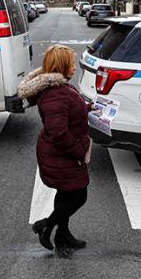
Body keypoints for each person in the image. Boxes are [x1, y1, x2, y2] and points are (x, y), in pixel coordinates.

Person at [18, 45, 92, 252]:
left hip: (62, 153)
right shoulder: (56, 93)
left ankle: (63, 235)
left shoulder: (59, 89)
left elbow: (64, 114)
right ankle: (46, 226)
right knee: (78, 196)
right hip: (63, 153)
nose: (74, 67)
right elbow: (57, 131)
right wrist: (80, 152)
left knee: (66, 193)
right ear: (62, 65)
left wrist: (86, 109)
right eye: (71, 63)